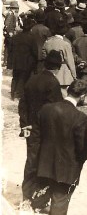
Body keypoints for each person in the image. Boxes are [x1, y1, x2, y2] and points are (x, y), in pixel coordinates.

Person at [35, 79, 87, 215]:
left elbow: (36, 137)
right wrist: (80, 162)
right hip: (66, 169)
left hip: (44, 164)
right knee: (59, 205)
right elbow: (82, 148)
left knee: (37, 202)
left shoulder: (46, 109)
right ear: (83, 96)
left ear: (67, 90)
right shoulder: (81, 117)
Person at [19, 51, 65, 207]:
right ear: (58, 68)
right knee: (45, 164)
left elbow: (22, 104)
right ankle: (39, 200)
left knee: (31, 162)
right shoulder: (53, 83)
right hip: (46, 131)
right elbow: (56, 110)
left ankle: (26, 196)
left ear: (45, 64)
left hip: (30, 128)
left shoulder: (32, 78)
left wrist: (24, 124)